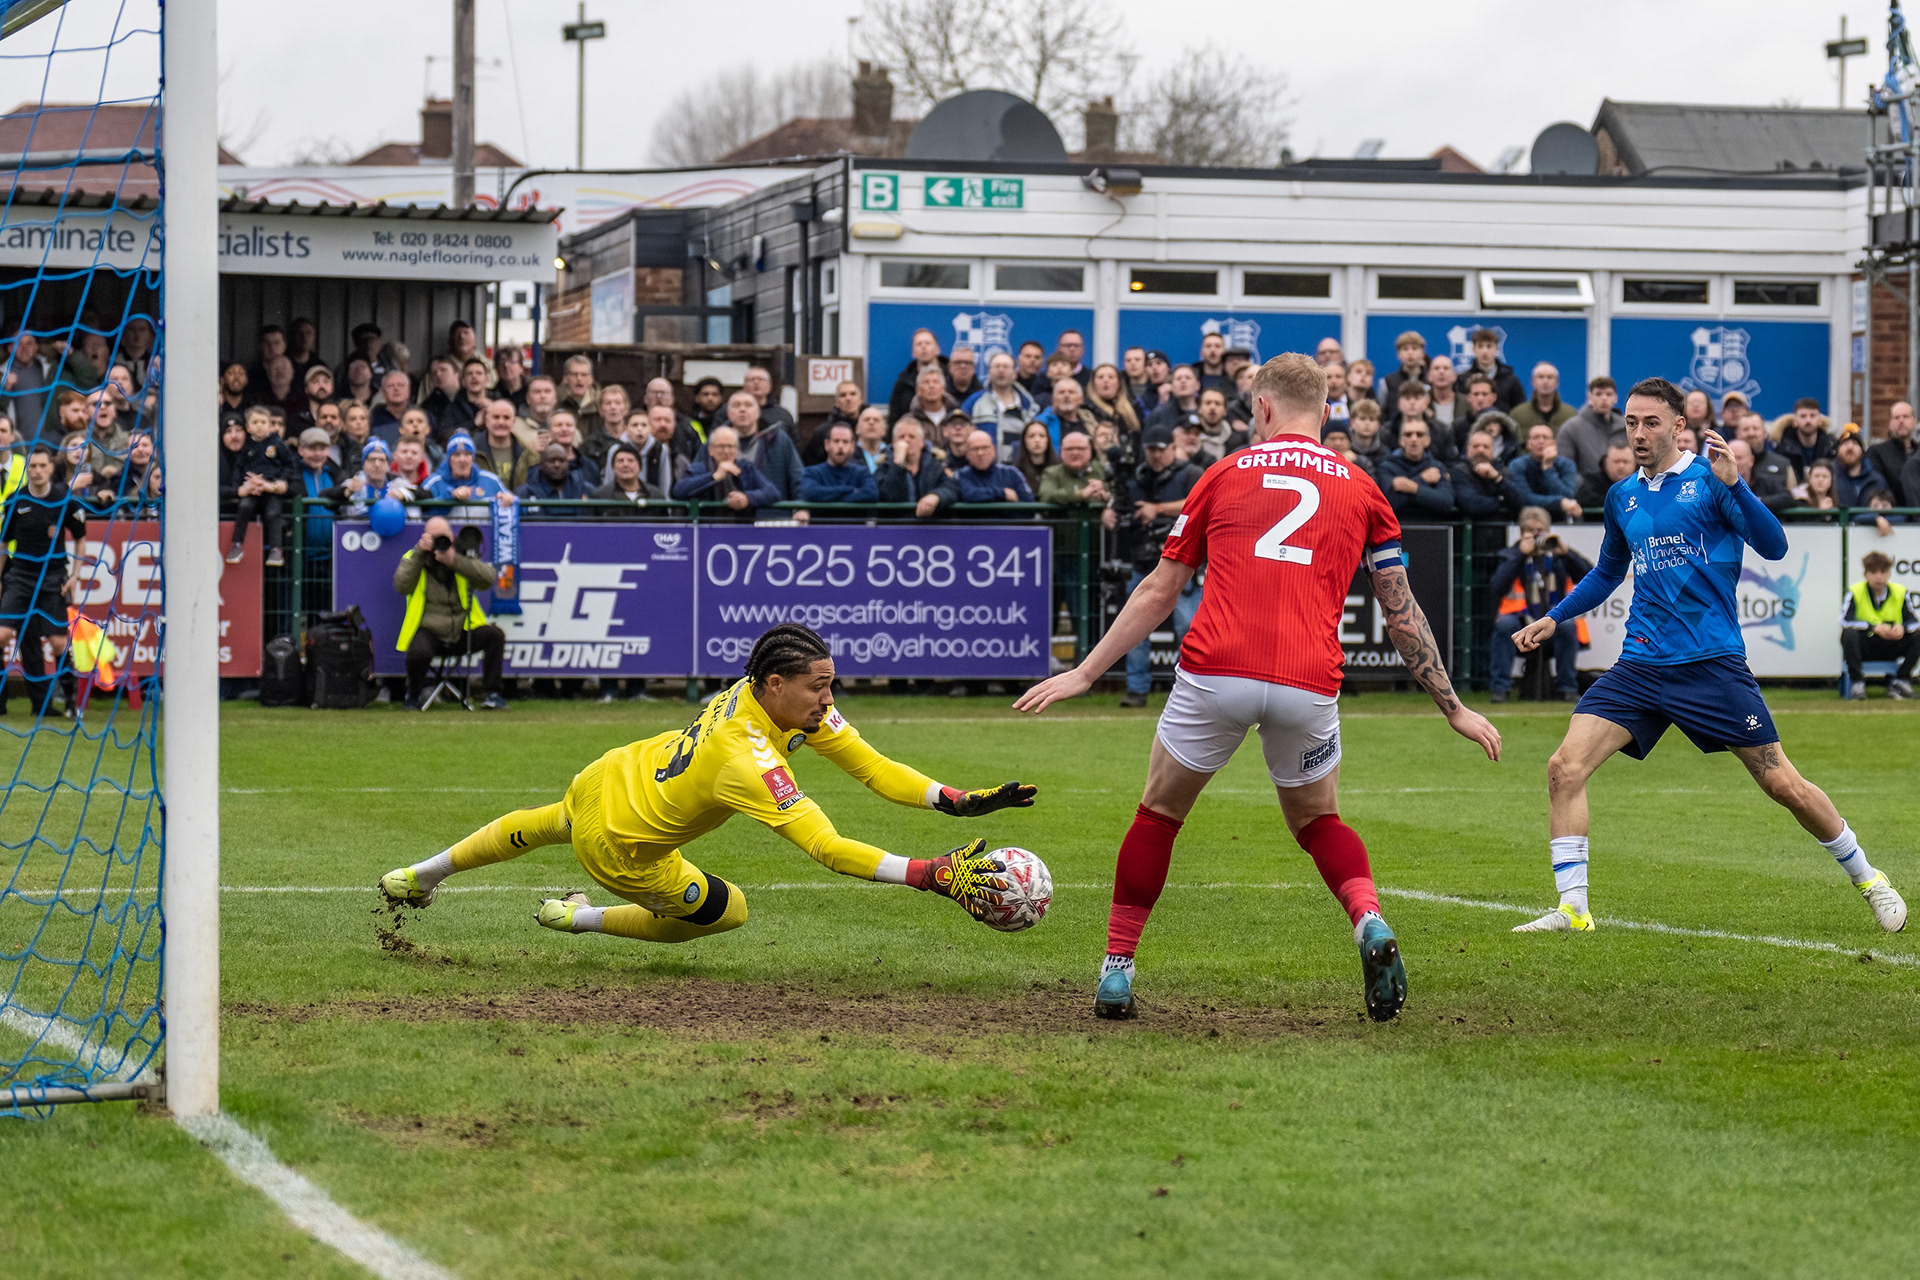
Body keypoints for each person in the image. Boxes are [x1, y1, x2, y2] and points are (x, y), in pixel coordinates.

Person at [1016, 352, 1499, 1023]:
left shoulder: (1223, 472)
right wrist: (1455, 707)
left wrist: (1084, 671)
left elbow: (1161, 589)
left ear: (1264, 408)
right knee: (1318, 820)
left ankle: (1118, 969)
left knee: (1158, 814)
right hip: (1307, 682)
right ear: (1328, 410)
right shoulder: (1363, 488)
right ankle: (1367, 920)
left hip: (1217, 671)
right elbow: (1400, 609)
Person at [1511, 377, 1906, 936]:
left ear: (1678, 425)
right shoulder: (1622, 496)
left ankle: (1870, 879)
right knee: (1563, 767)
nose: (1638, 433)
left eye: (1650, 422)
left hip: (1710, 664)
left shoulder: (1713, 479)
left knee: (1782, 785)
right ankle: (1573, 907)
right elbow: (1607, 572)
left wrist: (1737, 485)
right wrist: (1556, 616)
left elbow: (1774, 546)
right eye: (1630, 422)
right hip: (1641, 666)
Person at [381, 621, 1038, 940]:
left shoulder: (769, 695)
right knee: (728, 912)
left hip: (611, 774)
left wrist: (952, 802)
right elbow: (829, 849)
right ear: (777, 685)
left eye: (830, 683)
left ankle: (422, 874)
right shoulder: (747, 759)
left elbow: (872, 768)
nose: (829, 698)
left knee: (552, 820)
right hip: (622, 845)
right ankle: (579, 919)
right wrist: (931, 872)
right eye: (820, 686)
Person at [0, 445, 89, 716]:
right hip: (21, 577)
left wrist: (75, 575)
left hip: (52, 578)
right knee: (1, 636)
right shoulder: (17, 500)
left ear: (51, 468)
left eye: (41, 466)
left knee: (59, 642)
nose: (36, 471)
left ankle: (71, 702)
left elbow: (81, 536)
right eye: (32, 467)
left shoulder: (64, 499)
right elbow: (4, 543)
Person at [389, 515, 508, 712]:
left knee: (495, 636)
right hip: (430, 630)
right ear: (425, 537)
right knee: (418, 652)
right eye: (434, 537)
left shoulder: (462, 556)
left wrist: (455, 561)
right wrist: (421, 552)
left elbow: (487, 579)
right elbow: (402, 585)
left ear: (453, 537)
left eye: (443, 537)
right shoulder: (413, 557)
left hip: (462, 629)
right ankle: (413, 695)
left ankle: (492, 694)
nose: (440, 542)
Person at [1488, 508, 1590, 703]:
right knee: (1504, 625)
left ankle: (1567, 689)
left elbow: (1589, 575)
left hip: (1552, 624)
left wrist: (1567, 552)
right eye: (1530, 530)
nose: (1536, 535)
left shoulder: (1557, 556)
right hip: (1520, 625)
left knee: (1568, 626)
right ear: (1521, 532)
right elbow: (1497, 586)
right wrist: (1520, 554)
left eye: (1540, 530)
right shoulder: (1510, 555)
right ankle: (1500, 689)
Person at [695, 390, 804, 501]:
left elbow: (798, 477)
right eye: (736, 405)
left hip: (770, 514)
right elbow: (694, 478)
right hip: (724, 514)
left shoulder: (778, 439)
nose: (742, 409)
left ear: (758, 412)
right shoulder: (715, 440)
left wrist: (801, 508)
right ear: (728, 413)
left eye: (748, 405)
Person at [1842, 550, 1920, 701]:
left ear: (1889, 573)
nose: (1879, 577)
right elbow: (1845, 620)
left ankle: (1901, 680)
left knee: (1918, 635)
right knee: (1848, 634)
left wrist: (1902, 628)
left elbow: (1913, 621)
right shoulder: (1855, 592)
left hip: (1892, 643)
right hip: (1866, 644)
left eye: (1883, 572)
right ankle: (1857, 682)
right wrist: (1873, 628)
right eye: (1873, 572)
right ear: (1866, 574)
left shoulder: (1900, 592)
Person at [226, 405, 296, 566]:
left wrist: (281, 481)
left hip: (271, 489)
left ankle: (276, 550)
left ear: (270, 425)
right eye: (255, 422)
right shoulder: (247, 446)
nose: (259, 425)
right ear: (248, 428)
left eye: (263, 422)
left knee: (273, 514)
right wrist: (240, 487)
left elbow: (290, 464)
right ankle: (236, 545)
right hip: (252, 490)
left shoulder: (277, 444)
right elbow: (239, 467)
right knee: (244, 508)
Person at [918, 429, 1034, 517]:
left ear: (993, 450)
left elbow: (1029, 505)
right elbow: (969, 494)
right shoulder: (959, 476)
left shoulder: (1011, 473)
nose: (980, 453)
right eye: (975, 449)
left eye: (985, 447)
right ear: (967, 453)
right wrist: (1002, 493)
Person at [674, 425, 782, 514]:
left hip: (739, 531)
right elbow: (679, 491)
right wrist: (714, 477)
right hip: (706, 530)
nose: (726, 451)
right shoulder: (699, 468)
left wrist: (748, 498)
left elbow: (773, 492)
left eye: (730, 446)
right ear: (711, 450)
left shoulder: (746, 468)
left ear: (737, 449)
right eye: (721, 446)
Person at [964, 351, 1039, 456]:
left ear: (1014, 373)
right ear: (989, 372)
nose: (1001, 370)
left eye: (1006, 367)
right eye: (996, 366)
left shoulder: (1029, 406)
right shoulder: (974, 402)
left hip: (1019, 467)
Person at [1375, 419, 1453, 518]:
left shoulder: (1437, 467)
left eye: (1419, 434)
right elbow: (1389, 503)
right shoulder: (1386, 467)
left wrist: (1412, 487)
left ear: (1427, 440)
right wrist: (1422, 479)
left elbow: (1446, 502)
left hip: (1432, 528)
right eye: (1408, 434)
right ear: (1401, 440)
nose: (1414, 439)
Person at [1451, 427, 1529, 519]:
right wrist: (1501, 500)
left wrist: (1497, 478)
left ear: (1493, 451)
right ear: (1468, 449)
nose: (1481, 450)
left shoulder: (1502, 471)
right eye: (1475, 446)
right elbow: (1472, 504)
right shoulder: (1458, 471)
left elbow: (1520, 501)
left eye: (1486, 446)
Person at [1557, 376, 1624, 480]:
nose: (1604, 398)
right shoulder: (1571, 428)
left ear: (1615, 398)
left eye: (1608, 394)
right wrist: (1585, 489)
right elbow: (1565, 468)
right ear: (1589, 397)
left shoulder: (1625, 428)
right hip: (1587, 493)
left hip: (1624, 490)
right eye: (1598, 394)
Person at [1512, 422, 1583, 521]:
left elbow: (1567, 494)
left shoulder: (1567, 464)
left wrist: (1548, 469)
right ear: (1528, 443)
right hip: (1527, 518)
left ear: (1554, 443)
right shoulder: (1518, 465)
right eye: (1536, 437)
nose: (1541, 441)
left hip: (1560, 518)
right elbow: (1524, 498)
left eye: (1545, 437)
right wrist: (1558, 502)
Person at [799, 422, 879, 503]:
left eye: (845, 442)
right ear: (827, 445)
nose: (840, 446)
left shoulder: (862, 473)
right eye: (836, 441)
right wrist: (852, 490)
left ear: (853, 446)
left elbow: (872, 493)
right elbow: (810, 493)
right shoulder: (812, 473)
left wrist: (829, 497)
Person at [1038, 430, 1111, 511]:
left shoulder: (1101, 470)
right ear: (1061, 451)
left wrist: (1106, 497)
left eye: (1080, 448)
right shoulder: (1051, 473)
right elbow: (1046, 497)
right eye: (1069, 449)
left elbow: (1117, 495)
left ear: (1090, 450)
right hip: (1065, 521)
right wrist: (1081, 494)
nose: (1075, 452)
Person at [876, 417, 944, 503]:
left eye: (912, 437)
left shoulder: (934, 464)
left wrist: (936, 496)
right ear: (894, 442)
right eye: (901, 437)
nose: (906, 440)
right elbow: (888, 495)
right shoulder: (884, 465)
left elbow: (950, 487)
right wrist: (898, 464)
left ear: (922, 442)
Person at [473, 398, 534, 491]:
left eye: (506, 418)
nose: (501, 422)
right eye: (496, 417)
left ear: (513, 422)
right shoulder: (472, 452)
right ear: (486, 421)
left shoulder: (530, 455)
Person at [888, 329, 947, 422]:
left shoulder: (951, 376)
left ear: (937, 349)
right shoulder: (903, 383)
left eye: (928, 343)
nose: (923, 347)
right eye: (919, 344)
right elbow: (894, 418)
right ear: (913, 352)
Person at [1462, 328, 1524, 412]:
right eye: (1480, 346)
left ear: (1496, 349)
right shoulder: (1464, 379)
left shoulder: (1511, 380)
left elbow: (1520, 410)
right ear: (1474, 350)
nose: (1485, 351)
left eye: (1489, 346)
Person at [515, 443, 596, 507]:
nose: (557, 465)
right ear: (541, 465)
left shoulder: (586, 490)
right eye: (551, 461)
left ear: (568, 464)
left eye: (562, 461)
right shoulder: (523, 494)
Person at [1774, 398, 1836, 477]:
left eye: (1812, 416)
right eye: (1803, 416)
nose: (1808, 420)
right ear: (1795, 421)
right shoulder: (1782, 449)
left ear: (1820, 420)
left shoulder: (1831, 448)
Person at [637, 404, 689, 498]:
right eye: (657, 420)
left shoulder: (680, 459)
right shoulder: (635, 454)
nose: (663, 424)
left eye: (667, 420)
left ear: (674, 425)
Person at [1872, 401, 1919, 504]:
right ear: (1890, 423)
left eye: (1906, 416)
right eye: (1896, 418)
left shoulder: (1918, 453)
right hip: (1894, 515)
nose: (1901, 421)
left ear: (1914, 422)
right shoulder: (1877, 453)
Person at [1510, 363, 1575, 435]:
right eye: (1541, 377)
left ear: (1557, 383)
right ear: (1533, 382)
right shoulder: (1518, 415)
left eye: (1550, 377)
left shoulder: (1570, 415)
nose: (1545, 381)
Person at [1036, 376, 1097, 452]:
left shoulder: (1091, 422)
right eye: (1061, 392)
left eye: (1071, 392)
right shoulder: (1041, 424)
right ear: (1053, 399)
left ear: (1080, 399)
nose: (1066, 396)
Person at [1191, 388, 1249, 467]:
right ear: (1200, 409)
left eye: (1217, 403)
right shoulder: (1189, 438)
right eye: (1208, 403)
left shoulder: (1237, 442)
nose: (1212, 407)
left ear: (1225, 411)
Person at [1833, 429, 1889, 508]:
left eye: (1855, 443)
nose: (1850, 447)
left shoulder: (1877, 481)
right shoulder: (1831, 478)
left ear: (1862, 450)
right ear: (1837, 450)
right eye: (1845, 443)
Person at [1574, 443, 1636, 510]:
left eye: (1625, 462)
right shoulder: (1594, 481)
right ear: (1606, 462)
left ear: (1635, 463)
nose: (1621, 466)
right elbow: (1584, 499)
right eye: (1616, 462)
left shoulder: (1643, 481)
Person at [592, 442, 651, 509]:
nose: (625, 465)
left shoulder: (654, 496)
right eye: (620, 461)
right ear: (613, 468)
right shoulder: (600, 497)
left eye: (630, 460)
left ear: (640, 467)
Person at [1380, 330, 1429, 408]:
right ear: (1398, 354)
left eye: (1414, 348)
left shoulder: (1431, 380)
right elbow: (1382, 411)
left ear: (1422, 353)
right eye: (1405, 349)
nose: (1410, 353)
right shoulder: (1388, 381)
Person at [743, 365, 794, 435]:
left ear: (769, 387)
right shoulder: (734, 411)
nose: (756, 382)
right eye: (751, 379)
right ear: (744, 386)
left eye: (760, 379)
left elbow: (794, 444)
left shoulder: (782, 415)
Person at [1012, 420, 1059, 497]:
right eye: (1031, 436)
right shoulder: (1016, 473)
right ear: (1025, 441)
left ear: (1048, 440)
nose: (1037, 440)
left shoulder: (1059, 470)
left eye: (1042, 436)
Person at [370, 369, 415, 441]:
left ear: (409, 390)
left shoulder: (421, 416)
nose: (396, 389)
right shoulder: (373, 417)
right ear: (383, 393)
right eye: (391, 386)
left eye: (401, 385)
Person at [1346, 399, 1388, 473]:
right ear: (1352, 422)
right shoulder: (1345, 448)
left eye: (1371, 419)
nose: (1367, 423)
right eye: (1362, 419)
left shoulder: (1384, 453)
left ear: (1378, 424)